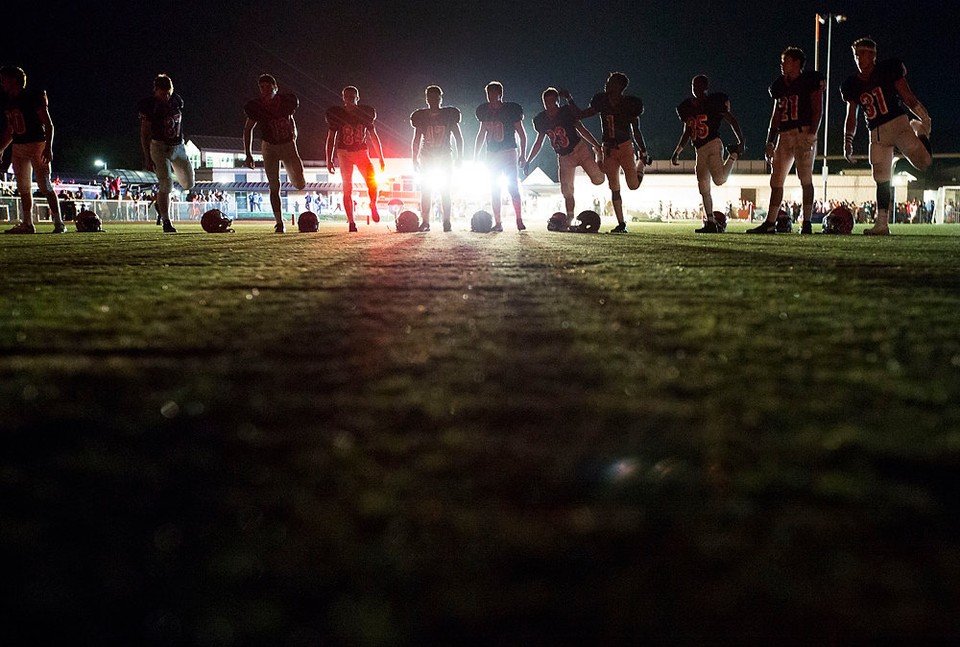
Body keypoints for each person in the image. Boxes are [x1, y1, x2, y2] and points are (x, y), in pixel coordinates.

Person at [841, 38, 932, 236]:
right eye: (856, 54)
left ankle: (921, 133)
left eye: (863, 53)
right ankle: (882, 223)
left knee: (924, 162)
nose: (859, 58)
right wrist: (847, 141)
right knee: (881, 178)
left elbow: (907, 97)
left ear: (873, 55)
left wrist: (924, 117)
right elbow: (851, 115)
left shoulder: (888, 69)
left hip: (899, 125)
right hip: (876, 132)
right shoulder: (852, 84)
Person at [746, 47, 824, 235]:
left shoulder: (809, 81)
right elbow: (776, 115)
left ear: (797, 63)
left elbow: (817, 109)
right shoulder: (779, 85)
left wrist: (812, 134)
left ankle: (806, 222)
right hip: (784, 135)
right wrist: (770, 141)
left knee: (805, 178)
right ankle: (770, 222)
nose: (782, 64)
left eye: (786, 61)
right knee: (776, 180)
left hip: (802, 132)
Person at [569, 72, 646, 233]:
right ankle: (621, 223)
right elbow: (582, 114)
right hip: (608, 148)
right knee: (614, 187)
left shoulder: (628, 104)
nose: (607, 84)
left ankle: (641, 164)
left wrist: (643, 150)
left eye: (611, 82)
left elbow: (636, 130)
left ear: (620, 86)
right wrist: (569, 99)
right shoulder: (602, 101)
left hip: (625, 146)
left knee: (632, 185)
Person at [671, 75, 744, 233]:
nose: (695, 88)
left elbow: (731, 119)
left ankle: (733, 155)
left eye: (698, 85)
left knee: (718, 180)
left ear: (705, 87)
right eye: (693, 84)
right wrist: (678, 151)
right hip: (699, 149)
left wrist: (741, 141)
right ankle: (710, 221)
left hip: (713, 143)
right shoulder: (688, 107)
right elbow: (688, 131)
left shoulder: (713, 102)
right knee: (703, 186)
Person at [526, 87, 604, 229]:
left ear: (557, 101)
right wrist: (528, 160)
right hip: (563, 156)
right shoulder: (541, 119)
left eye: (552, 101)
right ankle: (569, 218)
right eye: (546, 101)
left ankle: (598, 157)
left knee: (598, 180)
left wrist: (596, 145)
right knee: (566, 190)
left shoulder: (565, 112)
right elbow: (539, 142)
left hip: (579, 149)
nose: (549, 104)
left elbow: (581, 128)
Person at [0, 66, 64, 234]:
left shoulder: (32, 97)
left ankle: (59, 223)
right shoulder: (9, 101)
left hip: (37, 144)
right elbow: (11, 130)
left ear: (14, 80)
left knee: (45, 186)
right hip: (19, 146)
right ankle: (27, 223)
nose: (2, 82)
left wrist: (48, 147)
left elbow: (48, 124)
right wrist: (1, 149)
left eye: (5, 78)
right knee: (23, 188)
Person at [243, 74, 306, 233]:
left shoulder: (285, 102)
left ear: (275, 88)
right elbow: (247, 129)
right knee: (274, 186)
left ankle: (294, 178)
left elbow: (290, 118)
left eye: (268, 87)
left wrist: (294, 133)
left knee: (300, 183)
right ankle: (279, 222)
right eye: (262, 87)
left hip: (287, 144)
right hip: (269, 146)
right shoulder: (257, 107)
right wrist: (248, 154)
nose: (264, 90)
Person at [138, 74, 195, 233]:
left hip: (178, 146)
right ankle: (166, 221)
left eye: (169, 93)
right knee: (166, 184)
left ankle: (159, 202)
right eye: (163, 94)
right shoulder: (150, 106)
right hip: (159, 147)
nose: (166, 97)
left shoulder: (177, 100)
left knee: (189, 184)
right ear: (155, 91)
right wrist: (147, 157)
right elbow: (144, 133)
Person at [325, 86, 384, 232]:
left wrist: (381, 157)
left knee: (372, 181)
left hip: (361, 152)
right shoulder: (337, 114)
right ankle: (351, 222)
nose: (350, 99)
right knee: (347, 188)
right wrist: (328, 158)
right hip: (343, 152)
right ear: (343, 98)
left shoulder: (364, 113)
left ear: (357, 98)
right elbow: (330, 138)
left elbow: (373, 136)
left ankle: (373, 204)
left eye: (353, 97)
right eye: (347, 96)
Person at [474, 81, 527, 232]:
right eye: (489, 94)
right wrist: (476, 155)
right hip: (491, 154)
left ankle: (518, 218)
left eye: (493, 94)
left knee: (513, 187)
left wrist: (523, 154)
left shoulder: (511, 110)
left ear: (500, 94)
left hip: (508, 151)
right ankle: (498, 222)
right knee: (494, 189)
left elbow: (522, 134)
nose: (491, 97)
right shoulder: (485, 112)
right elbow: (481, 134)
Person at [410, 85, 463, 232]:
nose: (433, 100)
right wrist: (414, 158)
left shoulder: (449, 116)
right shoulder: (422, 117)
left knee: (445, 190)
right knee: (426, 190)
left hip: (444, 156)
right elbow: (416, 139)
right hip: (428, 157)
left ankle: (446, 221)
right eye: (430, 97)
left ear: (440, 98)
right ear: (427, 99)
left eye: (436, 97)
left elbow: (458, 137)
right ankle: (426, 221)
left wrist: (460, 156)